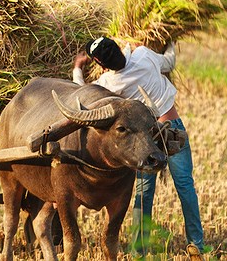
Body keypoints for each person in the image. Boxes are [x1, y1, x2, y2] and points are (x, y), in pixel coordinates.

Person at [72, 36, 205, 259]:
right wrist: (169, 40)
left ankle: (139, 250)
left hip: (145, 140)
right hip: (172, 128)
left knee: (144, 193)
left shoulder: (107, 84)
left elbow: (81, 94)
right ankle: (197, 244)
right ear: (118, 49)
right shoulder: (144, 55)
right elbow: (169, 62)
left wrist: (77, 68)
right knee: (185, 186)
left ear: (101, 65)